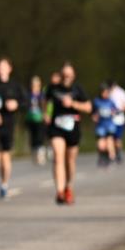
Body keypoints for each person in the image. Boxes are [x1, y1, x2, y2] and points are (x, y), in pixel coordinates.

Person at [44, 62, 91, 205]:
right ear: (61, 74)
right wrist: (46, 113)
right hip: (56, 126)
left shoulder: (78, 89)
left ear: (73, 75)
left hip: (73, 126)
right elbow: (44, 102)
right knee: (58, 157)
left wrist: (73, 104)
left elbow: (88, 107)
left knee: (70, 160)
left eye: (69, 74)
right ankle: (59, 191)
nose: (66, 77)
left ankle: (68, 187)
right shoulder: (52, 88)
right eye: (64, 74)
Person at [0, 58, 26, 199]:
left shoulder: (15, 86)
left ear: (10, 68)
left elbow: (26, 102)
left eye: (4, 66)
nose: (1, 69)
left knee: (5, 157)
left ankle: (4, 184)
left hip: (9, 125)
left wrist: (16, 104)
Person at [92, 84, 118, 167]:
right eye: (104, 92)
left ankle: (112, 157)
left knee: (110, 141)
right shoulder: (96, 101)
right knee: (101, 145)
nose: (106, 94)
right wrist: (94, 116)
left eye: (107, 93)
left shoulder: (111, 101)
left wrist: (113, 112)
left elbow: (116, 110)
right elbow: (92, 112)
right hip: (100, 126)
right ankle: (103, 156)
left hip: (109, 124)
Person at [25, 75, 48, 165]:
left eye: (36, 84)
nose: (34, 86)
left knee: (40, 136)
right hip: (30, 118)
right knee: (33, 137)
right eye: (33, 84)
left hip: (39, 118)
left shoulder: (42, 95)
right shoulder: (28, 94)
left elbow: (44, 106)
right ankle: (34, 154)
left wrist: (45, 114)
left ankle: (41, 154)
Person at [107, 79, 125, 164]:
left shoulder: (121, 92)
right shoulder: (107, 92)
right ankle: (111, 156)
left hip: (119, 119)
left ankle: (118, 153)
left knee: (117, 139)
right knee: (109, 137)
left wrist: (120, 110)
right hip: (109, 119)